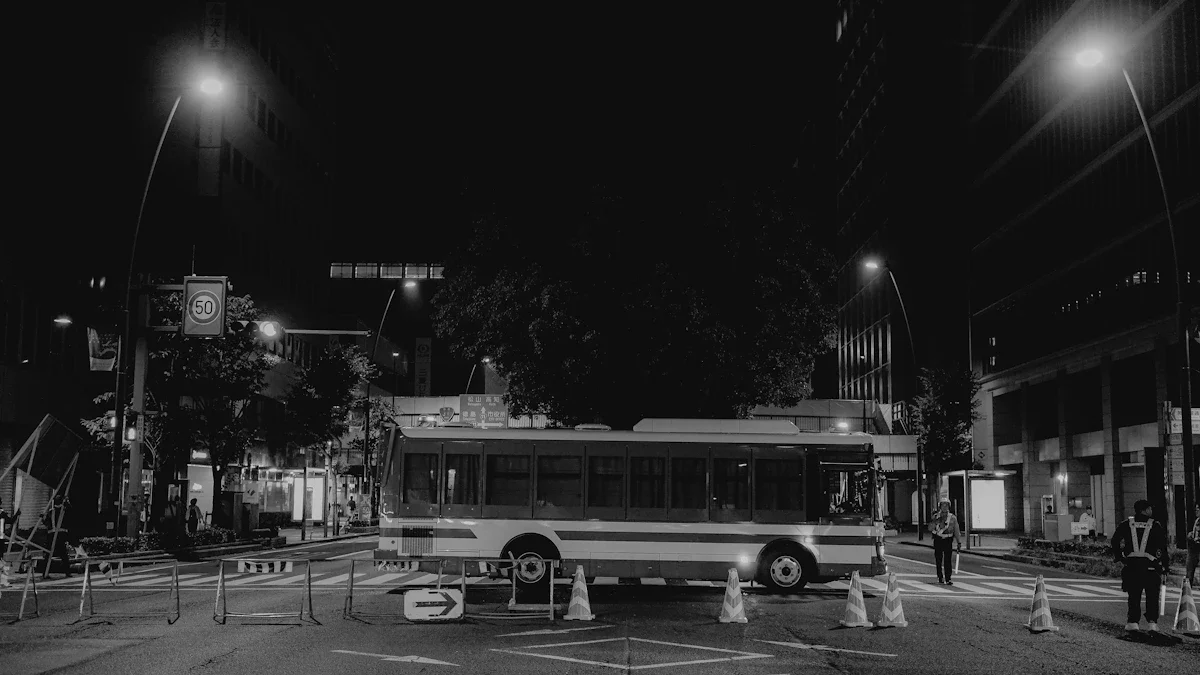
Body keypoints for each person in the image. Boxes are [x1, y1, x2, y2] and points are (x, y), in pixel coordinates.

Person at [1111, 499, 1169, 633]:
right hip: (1151, 567)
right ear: (1145, 510)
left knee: (1134, 595)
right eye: (1150, 509)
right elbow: (1163, 547)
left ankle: (1133, 622)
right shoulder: (1155, 525)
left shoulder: (1126, 524)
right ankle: (1152, 623)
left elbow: (1115, 540)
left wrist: (1120, 557)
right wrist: (1165, 565)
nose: (1151, 511)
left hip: (1132, 566)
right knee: (1152, 596)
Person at [930, 498, 963, 585]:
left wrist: (959, 542)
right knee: (938, 559)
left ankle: (948, 578)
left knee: (948, 559)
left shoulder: (952, 518)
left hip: (948, 540)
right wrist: (936, 522)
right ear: (940, 506)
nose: (944, 507)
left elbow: (956, 530)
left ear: (949, 506)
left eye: (946, 505)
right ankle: (940, 577)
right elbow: (930, 528)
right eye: (943, 505)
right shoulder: (936, 516)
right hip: (938, 539)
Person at [44, 493, 72, 577]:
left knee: (48, 554)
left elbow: (46, 523)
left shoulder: (51, 512)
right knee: (63, 554)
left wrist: (42, 519)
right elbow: (71, 512)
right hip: (60, 535)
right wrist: (67, 502)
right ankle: (67, 572)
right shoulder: (64, 510)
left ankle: (45, 573)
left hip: (51, 535)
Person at [1187, 513, 1200, 587]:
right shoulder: (1196, 520)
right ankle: (1188, 587)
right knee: (1190, 570)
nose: (1196, 511)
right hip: (1193, 547)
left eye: (1198, 509)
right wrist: (1191, 535)